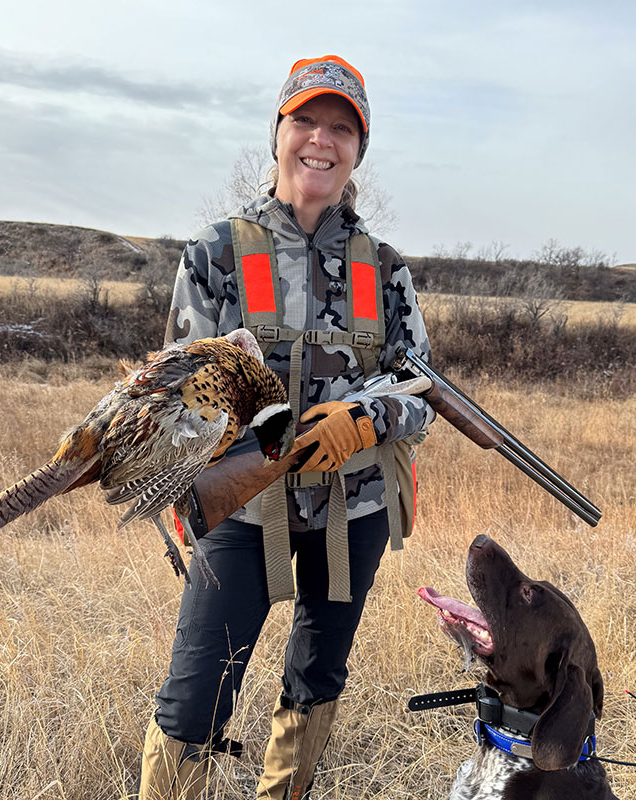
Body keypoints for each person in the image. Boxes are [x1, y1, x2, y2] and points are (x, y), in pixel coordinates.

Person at [138, 55, 434, 800]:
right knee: (195, 695)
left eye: (342, 128)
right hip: (240, 511)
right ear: (278, 133)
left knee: (316, 680)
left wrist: (367, 418)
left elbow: (421, 390)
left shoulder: (385, 268)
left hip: (352, 510)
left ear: (358, 150)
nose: (321, 141)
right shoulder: (216, 254)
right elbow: (175, 402)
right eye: (305, 120)